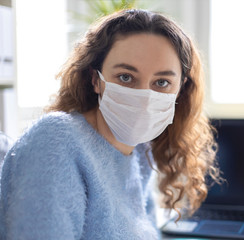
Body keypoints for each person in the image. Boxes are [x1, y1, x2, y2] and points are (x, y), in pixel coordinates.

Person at [0, 9, 222, 239]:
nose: (144, 96)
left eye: (162, 82)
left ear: (180, 89)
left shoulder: (139, 154)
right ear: (96, 79)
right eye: (126, 77)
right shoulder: (56, 141)